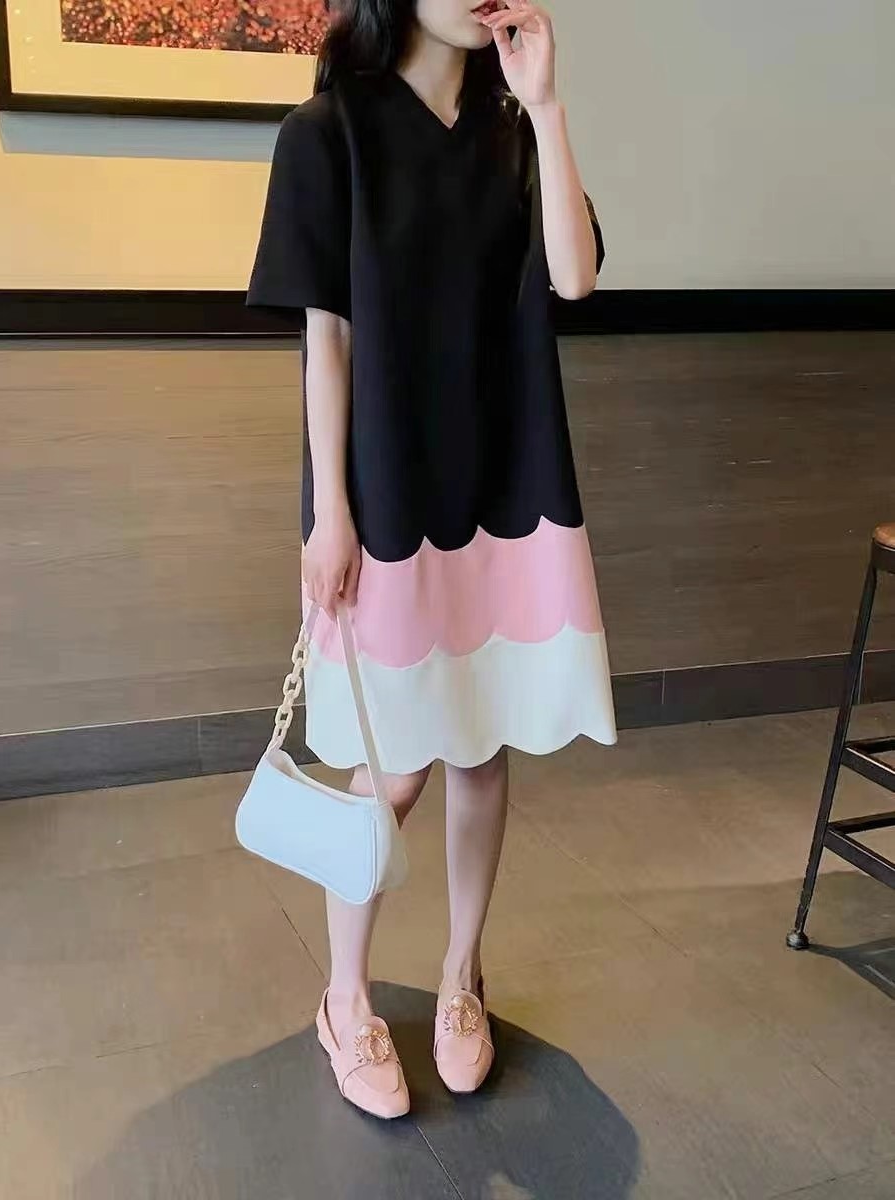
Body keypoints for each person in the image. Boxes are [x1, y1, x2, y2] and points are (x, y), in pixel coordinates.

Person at [248, 0, 617, 1120]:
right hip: (388, 491)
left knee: (483, 750)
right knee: (393, 764)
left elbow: (576, 277)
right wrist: (331, 512)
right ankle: (345, 997)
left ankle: (462, 978)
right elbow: (327, 340)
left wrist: (548, 105)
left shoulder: (512, 131)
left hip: (504, 482)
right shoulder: (328, 133)